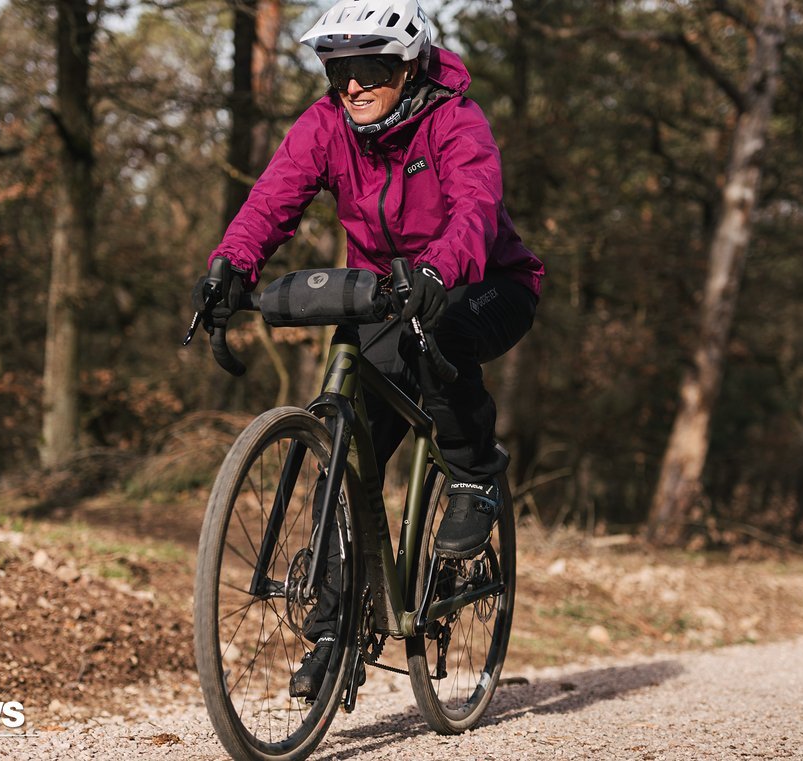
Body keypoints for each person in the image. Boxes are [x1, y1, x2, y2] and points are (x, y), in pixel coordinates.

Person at [197, 0, 544, 700]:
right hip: (385, 296)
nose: (352, 85)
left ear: (408, 64)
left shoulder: (455, 119)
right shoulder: (328, 125)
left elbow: (475, 208)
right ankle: (336, 632)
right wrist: (233, 263)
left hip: (484, 283)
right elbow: (272, 199)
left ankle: (475, 473)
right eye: (340, 70)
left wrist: (439, 269)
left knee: (440, 336)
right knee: (341, 450)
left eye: (371, 68)